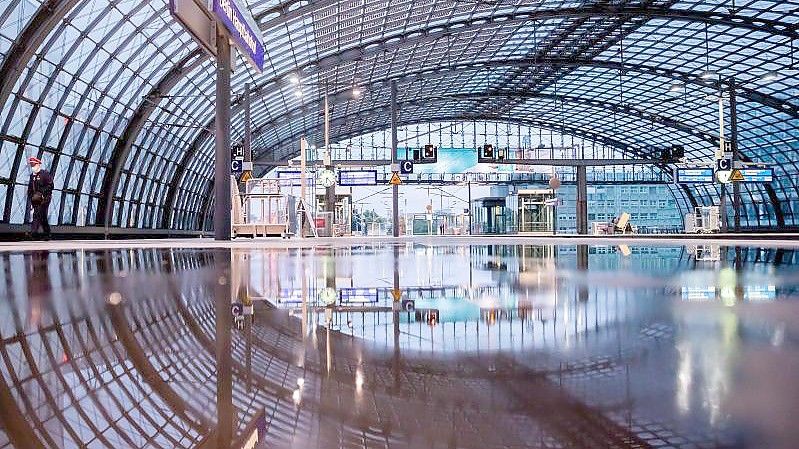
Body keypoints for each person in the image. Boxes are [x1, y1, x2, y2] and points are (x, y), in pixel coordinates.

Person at [27, 157, 54, 240]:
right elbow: (30, 188)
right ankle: (46, 233)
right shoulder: (32, 176)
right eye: (31, 165)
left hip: (45, 198)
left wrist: (42, 193)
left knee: (38, 214)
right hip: (36, 199)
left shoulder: (45, 174)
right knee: (40, 215)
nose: (32, 166)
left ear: (38, 164)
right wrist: (31, 197)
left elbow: (50, 185)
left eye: (34, 165)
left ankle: (34, 233)